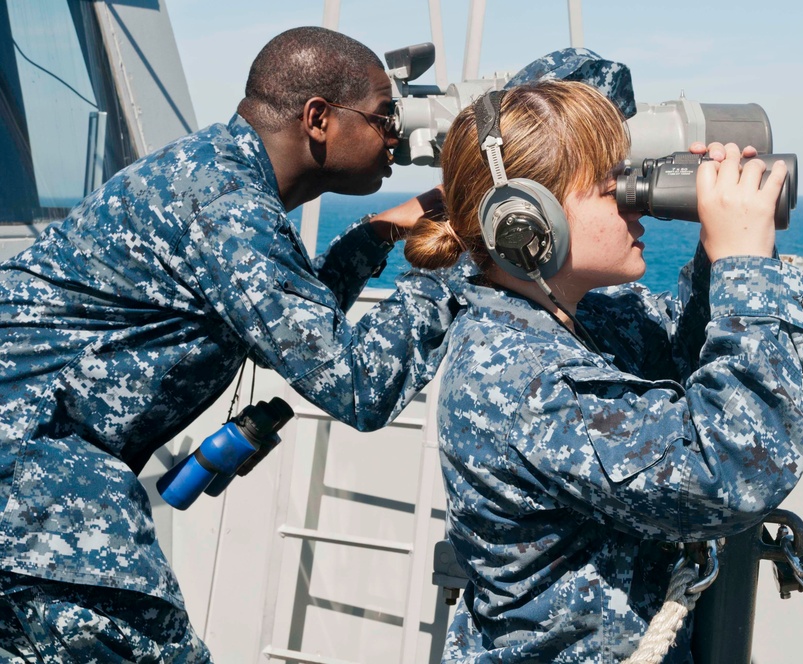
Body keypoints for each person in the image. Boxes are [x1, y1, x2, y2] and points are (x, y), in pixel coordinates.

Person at [0, 27, 460, 662]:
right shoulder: (226, 205)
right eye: (386, 117)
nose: (396, 138)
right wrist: (464, 266)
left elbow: (291, 323)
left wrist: (376, 234)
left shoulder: (217, 176)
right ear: (319, 119)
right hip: (34, 483)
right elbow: (356, 386)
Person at [403, 80, 803, 662]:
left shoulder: (578, 319)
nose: (637, 202)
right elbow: (730, 470)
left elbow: (683, 348)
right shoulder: (521, 378)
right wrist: (747, 269)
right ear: (527, 223)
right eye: (613, 188)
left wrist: (717, 256)